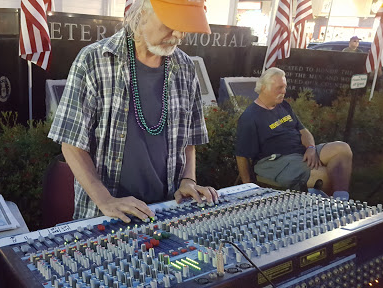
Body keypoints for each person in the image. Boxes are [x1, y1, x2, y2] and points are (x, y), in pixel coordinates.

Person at [48, 0, 218, 223]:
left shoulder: (186, 67)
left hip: (167, 212)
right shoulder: (93, 60)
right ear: (141, 14)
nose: (178, 34)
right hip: (107, 217)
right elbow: (71, 145)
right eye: (171, 23)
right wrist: (105, 200)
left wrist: (189, 181)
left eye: (184, 26)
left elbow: (188, 141)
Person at [235, 67, 353, 200]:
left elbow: (303, 130)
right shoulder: (250, 117)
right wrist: (248, 188)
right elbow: (241, 156)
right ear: (263, 88)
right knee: (325, 175)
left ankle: (342, 200)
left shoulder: (283, 105)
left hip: (301, 153)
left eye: (285, 87)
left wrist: (311, 148)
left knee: (342, 149)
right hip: (276, 162)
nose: (284, 91)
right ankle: (331, 208)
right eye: (279, 88)